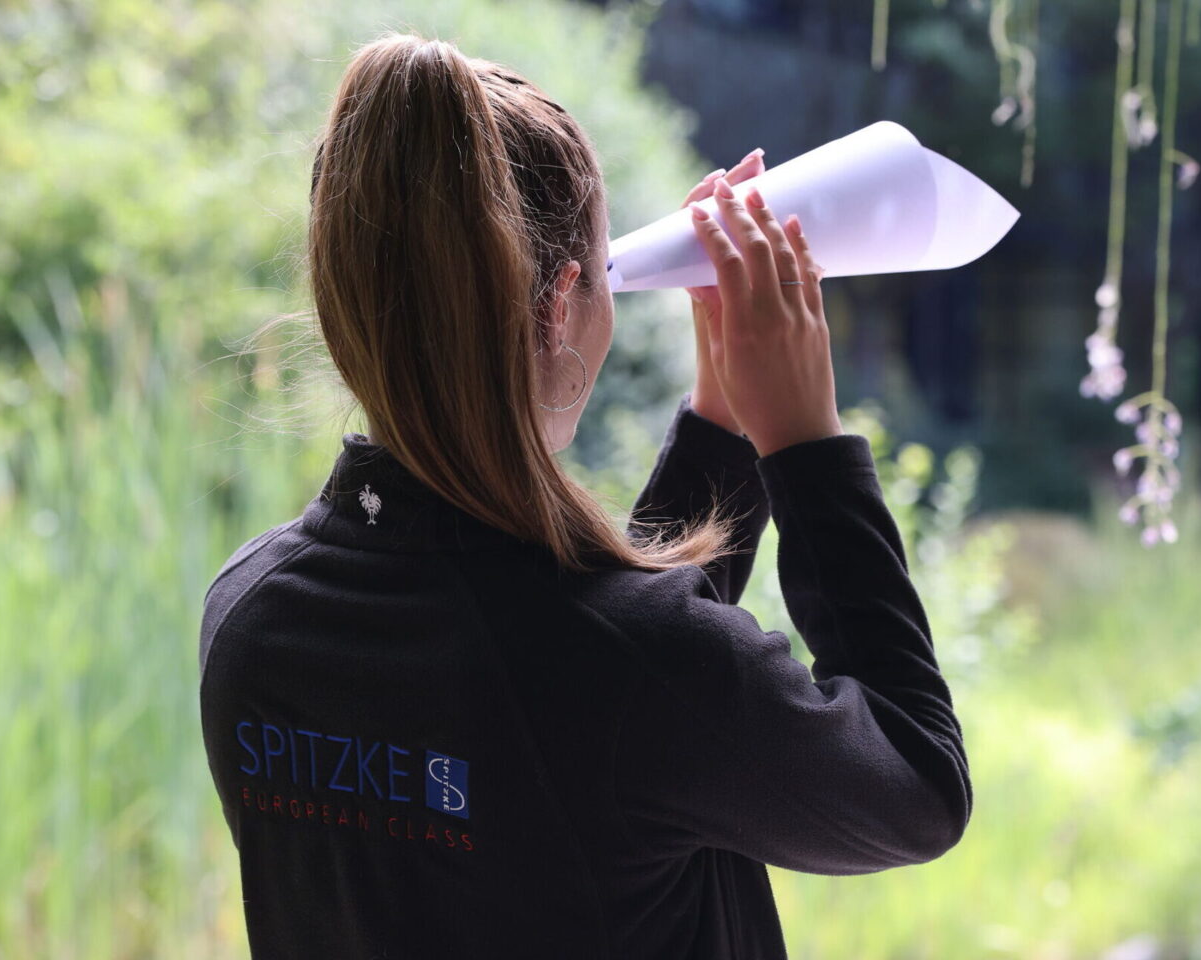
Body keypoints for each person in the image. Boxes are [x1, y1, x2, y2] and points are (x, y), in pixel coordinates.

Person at [198, 33, 970, 960]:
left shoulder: (249, 620)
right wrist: (806, 449)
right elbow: (918, 786)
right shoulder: (635, 668)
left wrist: (722, 425)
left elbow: (580, 716)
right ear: (562, 302)